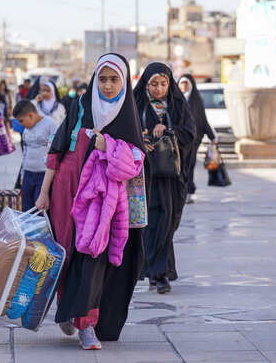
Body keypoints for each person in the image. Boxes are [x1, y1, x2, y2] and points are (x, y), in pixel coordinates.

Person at [36, 53, 148, 349]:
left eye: (114, 80)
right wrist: (44, 192)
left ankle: (88, 326)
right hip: (65, 189)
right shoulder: (81, 105)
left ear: (124, 81)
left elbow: (134, 163)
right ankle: (67, 310)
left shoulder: (126, 114)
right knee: (66, 253)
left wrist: (108, 146)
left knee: (93, 257)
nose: (108, 86)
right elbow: (56, 150)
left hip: (101, 198)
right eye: (103, 79)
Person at [133, 62, 195, 294]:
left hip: (170, 175)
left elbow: (190, 132)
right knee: (149, 223)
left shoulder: (178, 105)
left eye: (164, 84)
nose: (159, 88)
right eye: (153, 84)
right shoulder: (135, 104)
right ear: (146, 84)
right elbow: (122, 132)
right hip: (144, 174)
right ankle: (159, 274)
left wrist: (168, 131)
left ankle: (157, 271)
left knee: (167, 221)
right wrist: (140, 137)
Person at [12, 99, 58, 211]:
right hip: (28, 175)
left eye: (21, 121)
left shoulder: (51, 125)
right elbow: (25, 153)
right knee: (26, 210)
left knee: (40, 211)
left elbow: (57, 153)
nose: (20, 124)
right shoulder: (26, 131)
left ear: (30, 115)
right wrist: (23, 175)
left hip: (43, 176)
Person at [177, 74, 217, 203]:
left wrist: (212, 137)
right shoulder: (174, 100)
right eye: (181, 83)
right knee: (179, 167)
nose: (183, 86)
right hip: (177, 141)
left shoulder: (196, 101)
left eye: (186, 83)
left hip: (193, 141)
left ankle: (189, 191)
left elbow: (203, 121)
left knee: (189, 166)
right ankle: (179, 191)